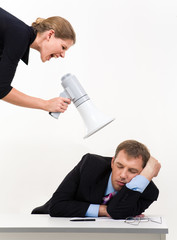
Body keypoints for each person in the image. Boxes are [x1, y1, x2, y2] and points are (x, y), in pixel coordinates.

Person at [31, 140, 161, 219]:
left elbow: (116, 212)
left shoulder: (148, 193)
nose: (123, 175)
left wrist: (147, 174)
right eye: (119, 166)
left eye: (132, 171)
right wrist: (104, 210)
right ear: (112, 162)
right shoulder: (90, 165)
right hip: (47, 222)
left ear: (143, 172)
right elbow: (57, 206)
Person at [0, 7, 76, 112]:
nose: (63, 55)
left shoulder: (17, 35)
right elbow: (1, 88)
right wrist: (45, 104)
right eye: (63, 47)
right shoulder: (20, 36)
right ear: (50, 35)